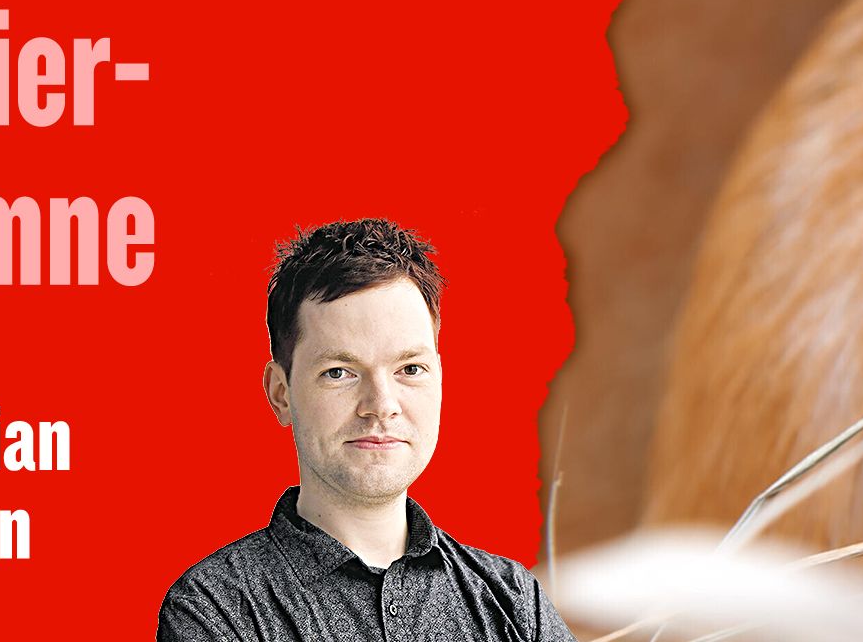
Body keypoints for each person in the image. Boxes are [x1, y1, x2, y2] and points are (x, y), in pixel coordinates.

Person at [159, 219, 573, 641]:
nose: (381, 406)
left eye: (410, 369)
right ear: (281, 394)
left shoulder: (515, 601)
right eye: (339, 372)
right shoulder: (214, 610)